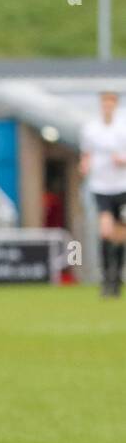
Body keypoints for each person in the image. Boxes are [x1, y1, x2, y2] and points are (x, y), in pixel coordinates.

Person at [78, 91, 126, 298]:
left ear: (115, 105)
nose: (107, 107)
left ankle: (117, 278)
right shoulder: (91, 129)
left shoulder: (123, 127)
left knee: (121, 234)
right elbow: (86, 154)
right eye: (104, 104)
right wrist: (85, 165)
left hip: (122, 186)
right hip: (101, 187)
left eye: (110, 104)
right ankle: (107, 277)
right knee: (106, 230)